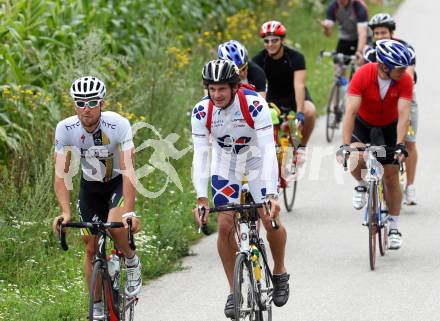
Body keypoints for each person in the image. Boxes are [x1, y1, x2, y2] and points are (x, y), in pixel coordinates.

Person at [191, 59, 290, 318]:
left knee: (270, 220)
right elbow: (201, 156)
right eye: (211, 89)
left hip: (257, 160)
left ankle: (279, 272)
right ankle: (234, 291)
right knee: (224, 227)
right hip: (226, 164)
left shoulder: (254, 104)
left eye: (222, 89)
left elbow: (269, 150)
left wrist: (270, 194)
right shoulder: (202, 111)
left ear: (235, 87)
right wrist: (201, 198)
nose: (216, 95)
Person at [51, 76, 142, 319]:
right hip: (90, 188)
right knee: (91, 248)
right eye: (80, 103)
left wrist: (130, 212)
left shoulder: (118, 125)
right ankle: (98, 308)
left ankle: (132, 261)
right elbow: (61, 175)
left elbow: (129, 170)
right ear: (74, 105)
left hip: (116, 183)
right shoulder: (65, 128)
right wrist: (65, 212)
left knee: (116, 223)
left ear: (102, 103)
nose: (86, 108)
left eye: (92, 102)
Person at [337, 40, 414, 250]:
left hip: (389, 127)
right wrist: (345, 145)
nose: (404, 71)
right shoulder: (363, 74)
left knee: (390, 175)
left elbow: (404, 114)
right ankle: (362, 184)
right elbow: (351, 112)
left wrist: (399, 144)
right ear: (384, 66)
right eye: (400, 68)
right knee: (355, 157)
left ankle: (394, 226)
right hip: (364, 124)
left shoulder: (405, 80)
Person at [363, 13, 418, 205]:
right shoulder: (369, 52)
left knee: (408, 141)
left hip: (403, 96)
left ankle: (410, 187)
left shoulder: (405, 48)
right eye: (376, 33)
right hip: (378, 98)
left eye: (383, 32)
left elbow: (407, 77)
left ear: (392, 32)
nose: (379, 36)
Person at [252, 20, 316, 149]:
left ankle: (301, 148)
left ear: (282, 40)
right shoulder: (258, 60)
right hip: (273, 97)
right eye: (267, 41)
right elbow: (257, 88)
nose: (270, 44)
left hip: (294, 94)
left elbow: (299, 85)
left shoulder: (296, 57)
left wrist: (300, 113)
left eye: (274, 40)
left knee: (310, 111)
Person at [320, 0, 369, 65]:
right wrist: (326, 28)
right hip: (345, 37)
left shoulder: (358, 6)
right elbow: (328, 35)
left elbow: (362, 33)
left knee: (361, 63)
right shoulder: (333, 6)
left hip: (361, 37)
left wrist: (359, 51)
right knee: (338, 67)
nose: (340, 2)